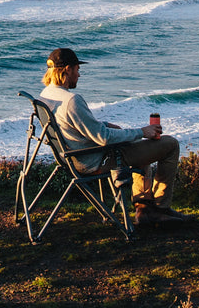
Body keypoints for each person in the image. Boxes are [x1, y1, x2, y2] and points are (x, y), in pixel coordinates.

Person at [39, 47, 189, 226]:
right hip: (98, 160)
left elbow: (76, 126)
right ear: (67, 70)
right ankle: (161, 208)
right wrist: (141, 132)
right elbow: (104, 138)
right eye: (78, 70)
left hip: (74, 158)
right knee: (170, 144)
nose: (79, 75)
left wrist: (106, 125)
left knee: (141, 146)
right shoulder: (72, 100)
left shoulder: (46, 95)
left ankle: (144, 210)